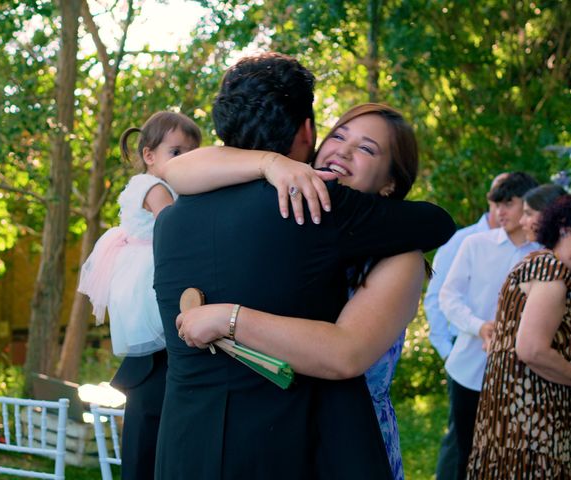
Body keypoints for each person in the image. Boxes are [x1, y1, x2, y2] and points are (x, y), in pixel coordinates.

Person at [153, 52, 455, 479]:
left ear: (391, 181)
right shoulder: (309, 208)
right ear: (309, 132)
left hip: (198, 445)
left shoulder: (172, 219)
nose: (343, 152)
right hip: (289, 444)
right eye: (339, 136)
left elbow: (346, 352)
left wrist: (229, 318)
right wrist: (270, 162)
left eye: (366, 149)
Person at [77, 111, 201, 480]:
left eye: (193, 153)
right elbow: (173, 225)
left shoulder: (163, 182)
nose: (186, 161)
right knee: (159, 352)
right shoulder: (153, 187)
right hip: (149, 272)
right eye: (176, 152)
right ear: (150, 155)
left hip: (152, 267)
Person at [467, 194, 571, 478]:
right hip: (531, 418)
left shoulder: (540, 263)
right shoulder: (551, 270)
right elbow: (533, 350)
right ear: (566, 228)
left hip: (513, 416)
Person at [439, 172, 540, 479]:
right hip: (471, 369)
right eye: (496, 204)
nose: (500, 212)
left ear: (529, 203)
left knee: (514, 454)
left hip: (524, 373)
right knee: (466, 453)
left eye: (509, 203)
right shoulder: (474, 244)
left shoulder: (544, 253)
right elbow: (448, 296)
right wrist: (478, 326)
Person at [424, 172, 508, 480]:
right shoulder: (462, 241)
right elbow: (436, 298)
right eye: (501, 198)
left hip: (505, 364)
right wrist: (447, 352)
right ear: (490, 199)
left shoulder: (529, 246)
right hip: (464, 358)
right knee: (459, 441)